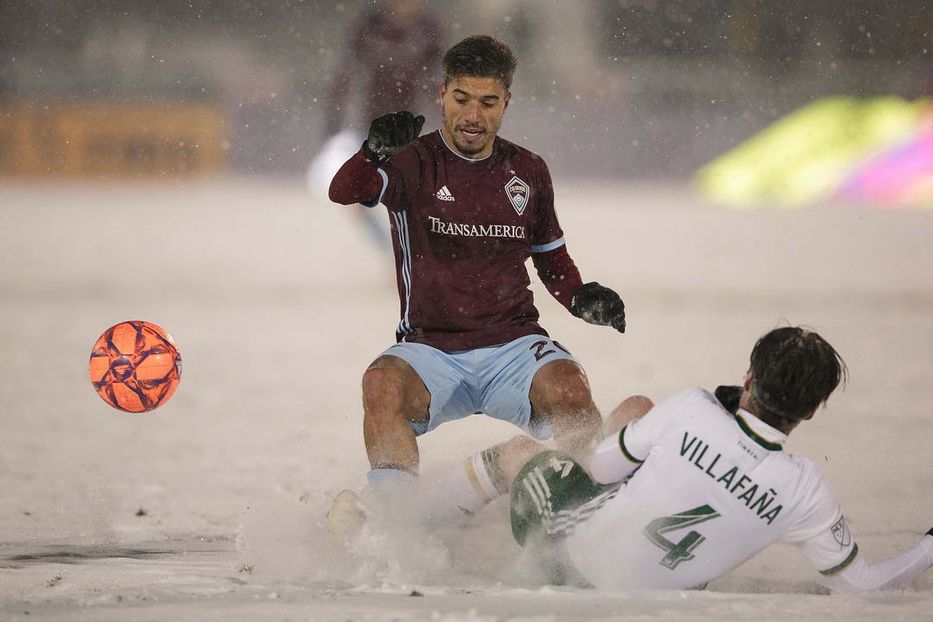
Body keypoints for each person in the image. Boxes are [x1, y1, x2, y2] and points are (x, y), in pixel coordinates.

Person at [327, 35, 627, 511]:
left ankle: (582, 508)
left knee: (571, 387)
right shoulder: (411, 160)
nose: (473, 116)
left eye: (488, 103)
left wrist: (580, 296)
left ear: (506, 103)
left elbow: (551, 258)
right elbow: (343, 192)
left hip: (511, 343)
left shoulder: (528, 170)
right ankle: (393, 521)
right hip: (432, 347)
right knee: (381, 384)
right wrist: (372, 152)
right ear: (442, 94)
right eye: (462, 99)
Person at [432, 326, 932, 591]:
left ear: (750, 379)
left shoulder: (695, 409)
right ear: (812, 410)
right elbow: (862, 586)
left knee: (524, 454)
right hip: (667, 589)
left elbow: (602, 471)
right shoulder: (806, 490)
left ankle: (413, 522)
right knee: (636, 412)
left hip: (568, 560)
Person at [308, 0, 444, 251]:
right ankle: (392, 253)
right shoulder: (369, 25)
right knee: (360, 200)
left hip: (410, 128)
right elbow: (345, 74)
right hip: (370, 126)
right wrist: (333, 120)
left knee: (413, 197)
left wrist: (446, 118)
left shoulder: (429, 29)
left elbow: (439, 78)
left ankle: (415, 253)